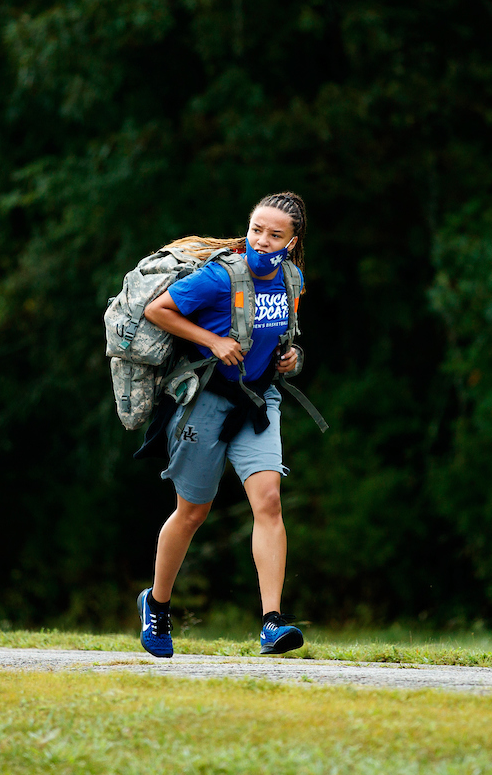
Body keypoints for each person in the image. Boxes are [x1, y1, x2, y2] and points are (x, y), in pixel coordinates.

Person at [135, 191, 309, 658]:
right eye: (256, 230)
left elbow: (281, 339)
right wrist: (211, 341)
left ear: (291, 244)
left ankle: (272, 623)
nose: (262, 240)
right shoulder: (220, 276)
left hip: (257, 401)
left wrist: (290, 358)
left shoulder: (291, 280)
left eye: (275, 235)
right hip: (204, 401)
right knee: (192, 512)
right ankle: (157, 604)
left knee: (268, 501)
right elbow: (158, 310)